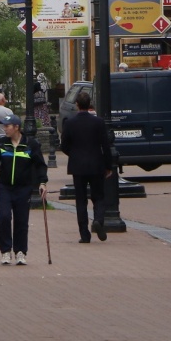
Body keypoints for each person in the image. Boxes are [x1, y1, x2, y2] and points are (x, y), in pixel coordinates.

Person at [0, 113, 49, 266]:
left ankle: (20, 251)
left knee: (21, 220)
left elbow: (40, 164)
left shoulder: (31, 144)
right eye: (4, 126)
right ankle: (5, 251)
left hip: (23, 188)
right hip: (4, 187)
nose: (4, 129)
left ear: (16, 127)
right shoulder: (2, 143)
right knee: (3, 216)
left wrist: (42, 182)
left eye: (7, 126)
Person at [59, 92, 112, 244]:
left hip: (78, 167)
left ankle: (84, 234)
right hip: (96, 165)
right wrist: (108, 165)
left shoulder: (70, 123)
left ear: (77, 105)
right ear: (89, 105)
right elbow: (105, 146)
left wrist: (73, 155)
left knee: (81, 200)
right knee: (99, 197)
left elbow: (64, 146)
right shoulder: (99, 122)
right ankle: (98, 220)